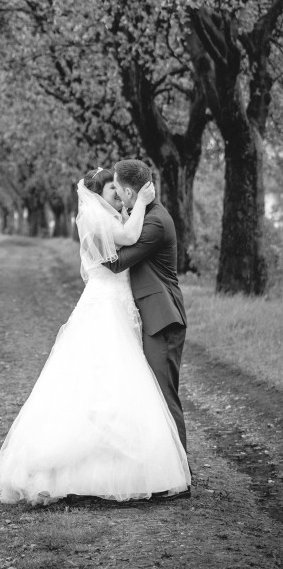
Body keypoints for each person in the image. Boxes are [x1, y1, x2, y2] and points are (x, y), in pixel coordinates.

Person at [0, 167, 190, 505]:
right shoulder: (102, 220)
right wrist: (139, 204)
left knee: (130, 384)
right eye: (113, 189)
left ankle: (165, 467)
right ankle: (147, 468)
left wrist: (133, 208)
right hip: (107, 304)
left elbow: (128, 239)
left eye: (120, 188)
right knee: (106, 379)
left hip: (123, 306)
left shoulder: (115, 218)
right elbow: (122, 250)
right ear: (99, 194)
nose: (118, 194)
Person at [105, 158, 188, 454]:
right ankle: (161, 465)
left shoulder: (154, 222)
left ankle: (181, 472)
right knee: (152, 395)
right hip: (153, 316)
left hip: (163, 319)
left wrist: (91, 241)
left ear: (129, 193)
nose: (115, 193)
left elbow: (116, 262)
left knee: (165, 396)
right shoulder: (146, 214)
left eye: (117, 187)